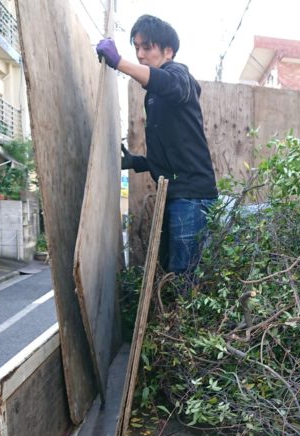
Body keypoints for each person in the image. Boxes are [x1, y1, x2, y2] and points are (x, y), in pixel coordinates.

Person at [96, 15, 217, 274]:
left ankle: (184, 315)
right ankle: (176, 314)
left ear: (168, 51)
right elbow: (173, 152)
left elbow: (170, 84)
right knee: (172, 270)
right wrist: (137, 162)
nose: (140, 54)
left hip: (192, 196)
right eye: (136, 47)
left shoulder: (179, 76)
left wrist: (118, 62)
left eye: (146, 47)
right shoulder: (154, 95)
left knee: (184, 275)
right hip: (175, 194)